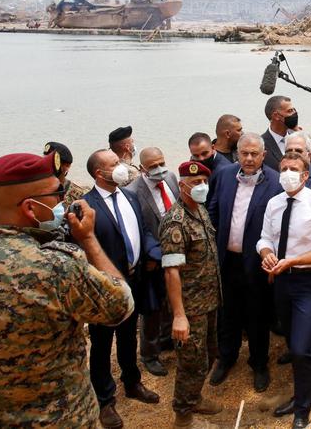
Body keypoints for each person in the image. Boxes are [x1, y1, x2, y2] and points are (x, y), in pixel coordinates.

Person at [0, 152, 134, 427]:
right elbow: (120, 305)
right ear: (31, 208)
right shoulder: (57, 266)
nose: (62, 201)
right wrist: (88, 239)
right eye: (57, 194)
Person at [258, 152, 311, 429]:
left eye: (293, 169)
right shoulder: (274, 203)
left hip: (310, 282)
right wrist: (267, 253)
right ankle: (305, 394)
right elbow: (265, 238)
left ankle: (302, 409)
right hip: (281, 282)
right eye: (283, 169)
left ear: (305, 175)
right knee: (293, 343)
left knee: (302, 347)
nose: (287, 174)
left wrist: (294, 260)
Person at [83, 149, 161, 428]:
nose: (122, 167)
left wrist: (153, 254)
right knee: (102, 345)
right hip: (104, 290)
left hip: (135, 280)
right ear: (98, 174)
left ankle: (132, 382)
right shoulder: (85, 206)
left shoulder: (130, 197)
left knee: (129, 337)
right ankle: (105, 400)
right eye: (114, 164)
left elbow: (144, 231)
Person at [207, 133, 281, 392]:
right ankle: (226, 357)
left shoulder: (275, 182)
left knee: (257, 314)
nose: (249, 159)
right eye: (244, 153)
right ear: (237, 153)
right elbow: (213, 208)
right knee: (227, 313)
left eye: (254, 154)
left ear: (263, 155)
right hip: (227, 260)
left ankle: (259, 363)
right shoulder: (224, 175)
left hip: (257, 262)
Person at [159, 160, 222, 427]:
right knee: (191, 363)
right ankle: (183, 415)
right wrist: (179, 316)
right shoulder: (175, 222)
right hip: (190, 308)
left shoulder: (201, 211)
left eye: (204, 182)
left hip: (208, 301)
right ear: (182, 185)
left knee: (208, 354)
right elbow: (171, 272)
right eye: (195, 183)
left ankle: (194, 397)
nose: (202, 187)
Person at [124, 146, 181, 377]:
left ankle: (167, 339)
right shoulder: (132, 192)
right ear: (141, 168)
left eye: (161, 163)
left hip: (176, 252)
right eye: (153, 167)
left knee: (172, 299)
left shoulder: (171, 177)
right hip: (152, 259)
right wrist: (151, 256)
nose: (159, 169)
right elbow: (138, 229)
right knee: (152, 307)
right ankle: (149, 354)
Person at [262, 95, 300, 172]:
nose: (294, 113)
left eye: (294, 110)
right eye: (290, 111)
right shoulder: (261, 145)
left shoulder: (298, 138)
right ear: (276, 116)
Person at [44, 141, 88, 206]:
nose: (45, 165)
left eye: (51, 162)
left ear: (67, 166)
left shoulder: (79, 195)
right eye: (44, 160)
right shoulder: (37, 190)